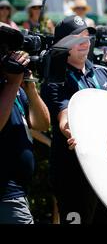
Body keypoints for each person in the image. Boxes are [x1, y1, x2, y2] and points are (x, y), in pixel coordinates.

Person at [40, 15, 107, 224]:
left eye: (87, 36)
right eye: (77, 38)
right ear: (62, 45)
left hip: (106, 174)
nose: (85, 42)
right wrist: (70, 129)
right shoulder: (55, 80)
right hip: (73, 177)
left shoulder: (104, 73)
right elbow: (64, 115)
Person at [0, 24, 50, 223]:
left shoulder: (14, 86)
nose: (7, 55)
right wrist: (13, 84)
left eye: (8, 49)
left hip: (16, 194)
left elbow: (41, 123)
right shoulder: (10, 86)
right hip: (5, 195)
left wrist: (29, 86)